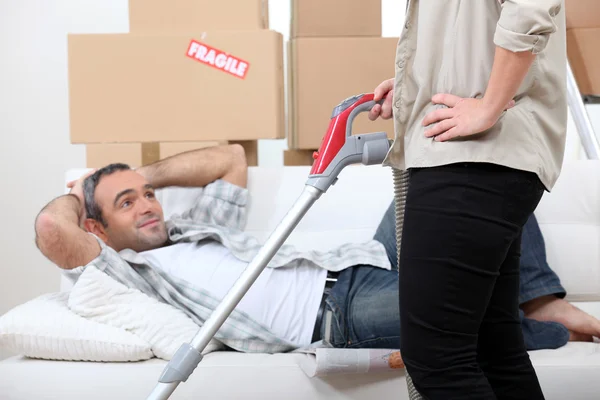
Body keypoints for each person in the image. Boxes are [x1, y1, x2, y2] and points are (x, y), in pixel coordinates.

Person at [34, 145, 599, 361]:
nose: (148, 205)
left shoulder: (191, 227)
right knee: (458, 313)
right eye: (127, 204)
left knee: (462, 165)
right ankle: (538, 326)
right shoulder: (126, 273)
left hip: (361, 262)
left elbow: (230, 158)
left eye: (149, 196)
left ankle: (537, 298)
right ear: (97, 229)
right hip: (339, 315)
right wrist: (77, 191)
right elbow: (52, 232)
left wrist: (135, 177)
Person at [366, 0, 568, 398]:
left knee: (436, 359)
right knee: (493, 352)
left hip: (474, 155)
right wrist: (415, 88)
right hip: (479, 154)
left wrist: (490, 106)